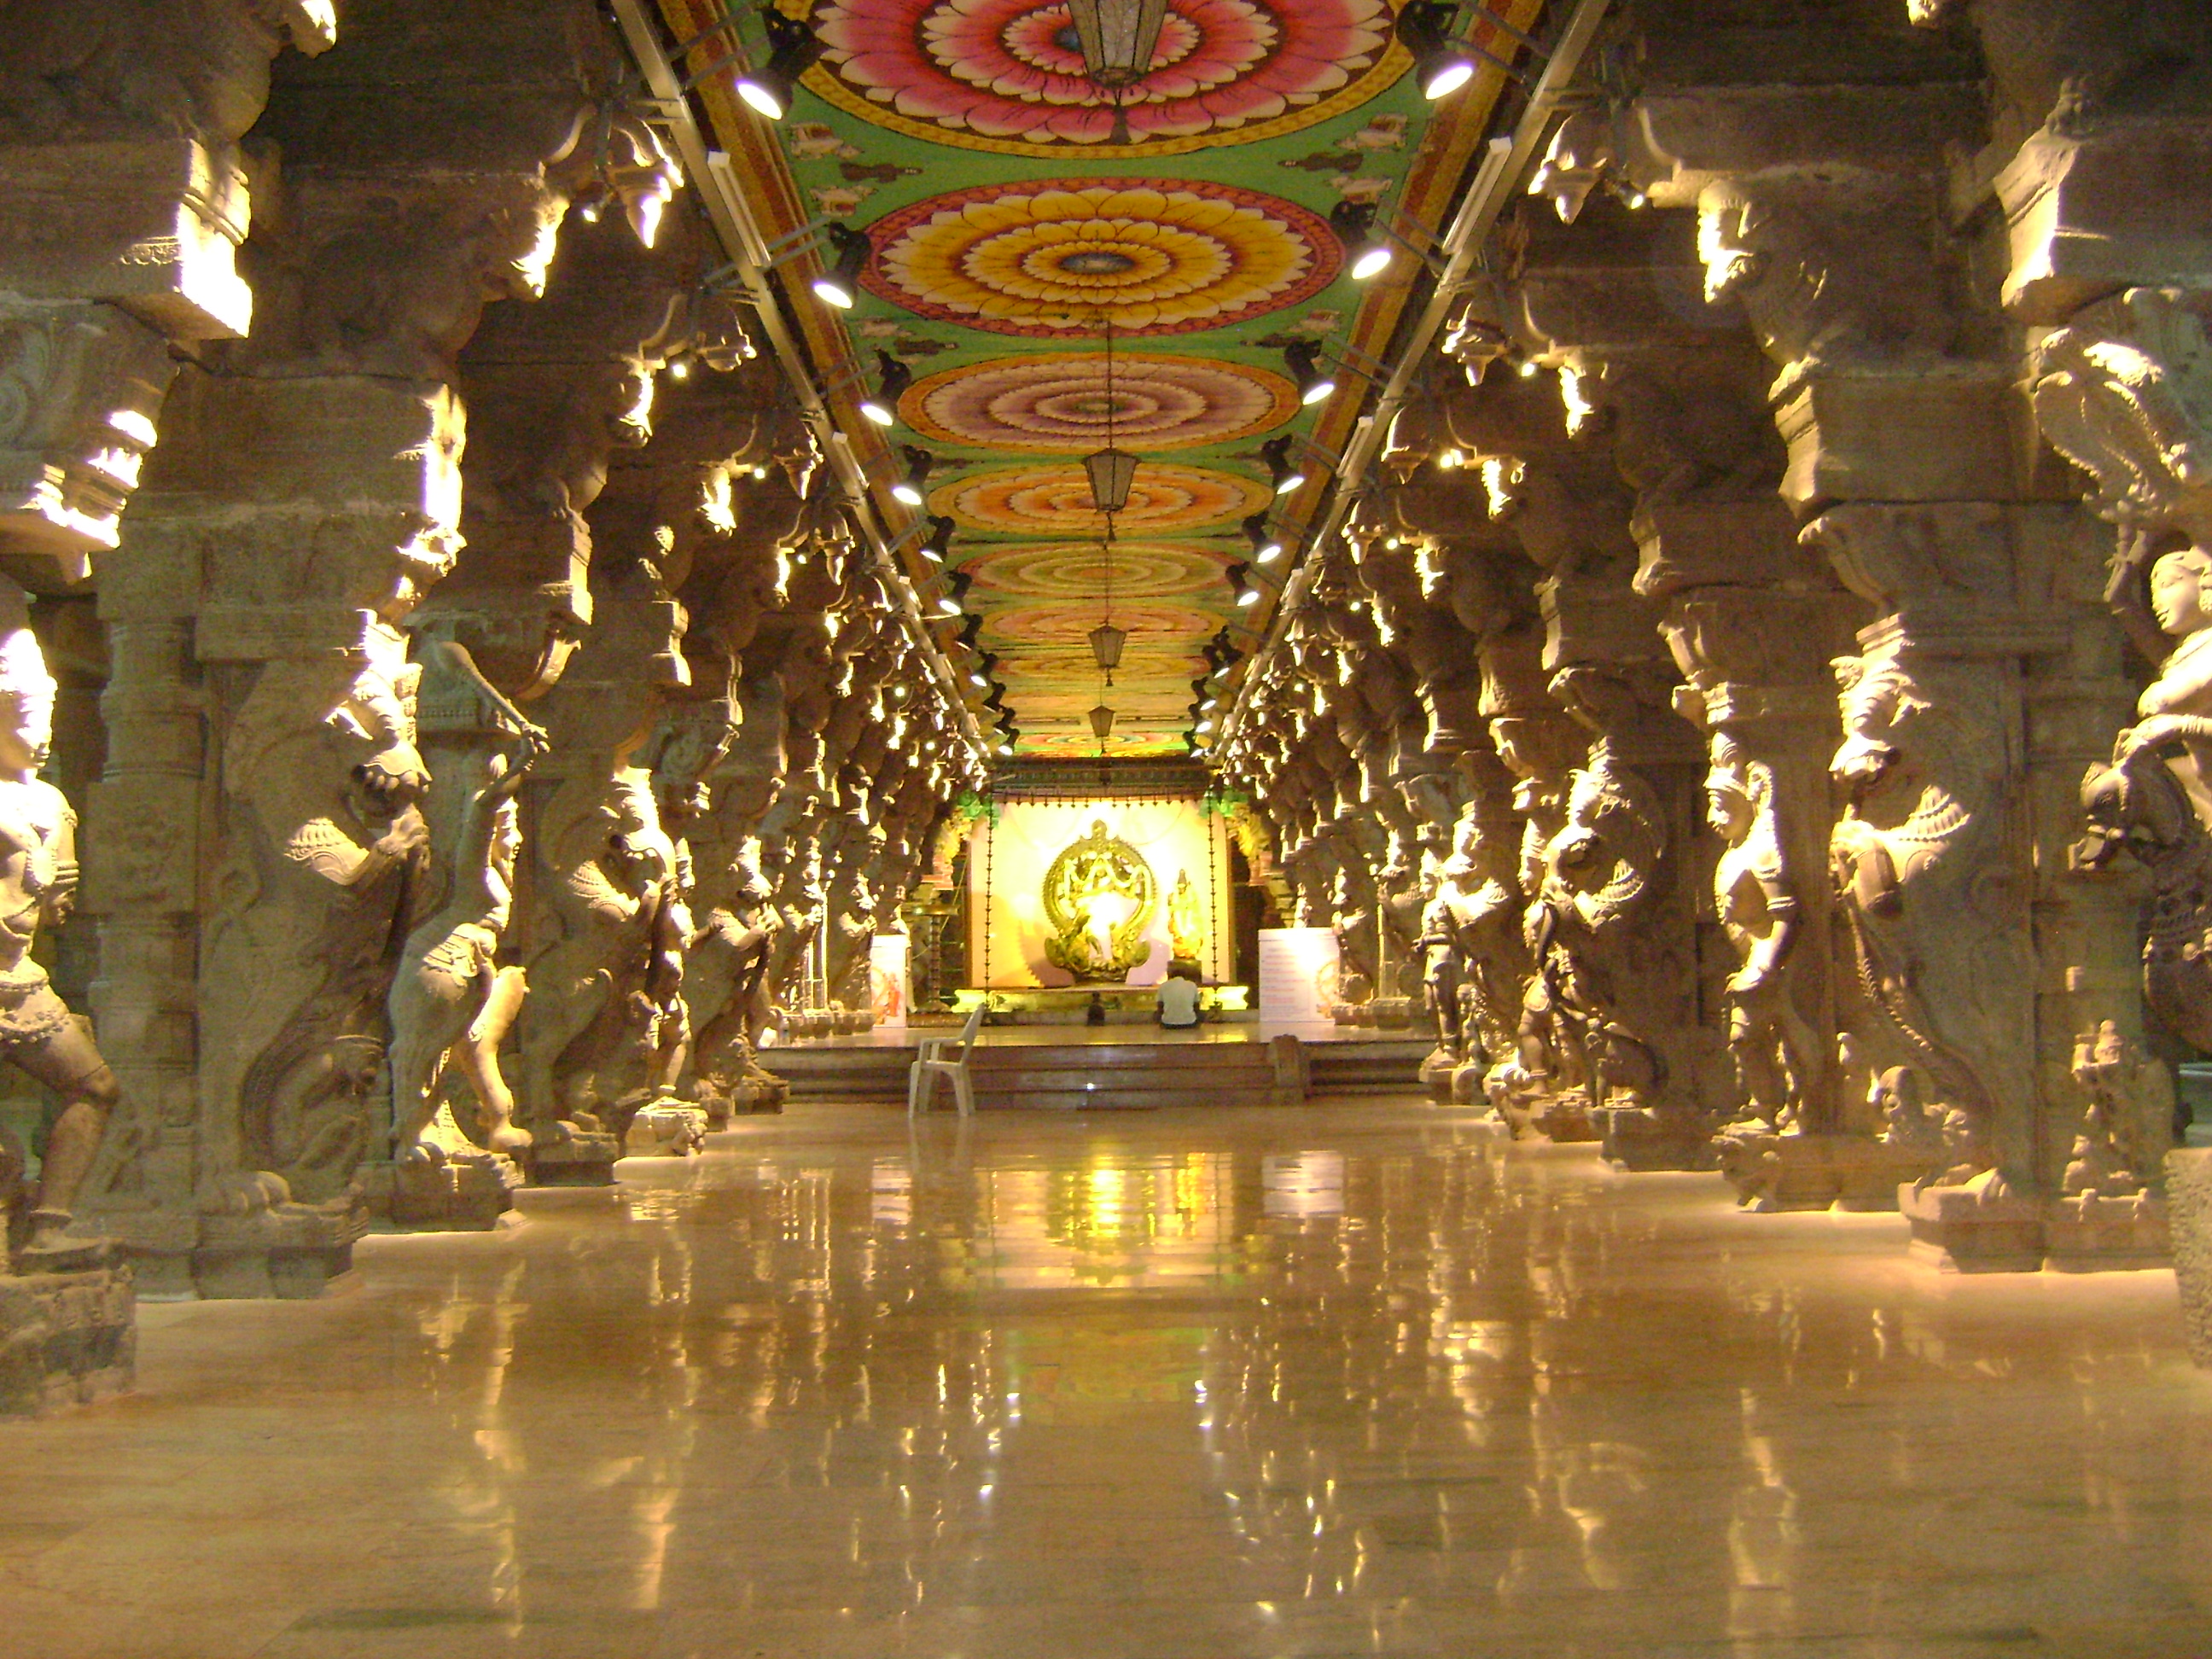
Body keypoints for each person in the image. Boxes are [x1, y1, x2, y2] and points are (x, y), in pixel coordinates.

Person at [1155, 963, 1202, 1029]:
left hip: (1168, 1023)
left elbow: (1160, 1006)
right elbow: (1196, 1005)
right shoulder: (1192, 985)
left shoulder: (1163, 986)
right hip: (1189, 1023)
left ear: (1169, 975)